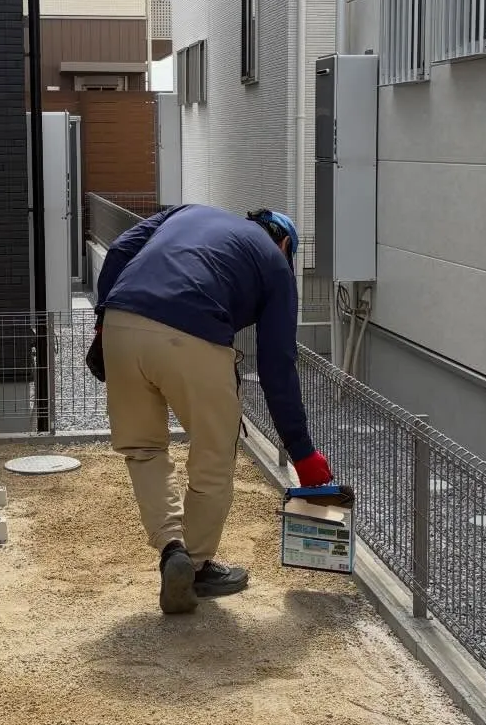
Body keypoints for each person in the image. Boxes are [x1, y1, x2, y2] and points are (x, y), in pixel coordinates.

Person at [88, 204, 334, 614]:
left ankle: (172, 551)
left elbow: (119, 250)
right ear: (286, 244)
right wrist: (302, 452)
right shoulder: (274, 263)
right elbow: (277, 365)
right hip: (193, 333)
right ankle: (197, 566)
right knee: (214, 452)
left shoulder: (188, 212)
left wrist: (101, 326)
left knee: (143, 449)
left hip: (121, 321)